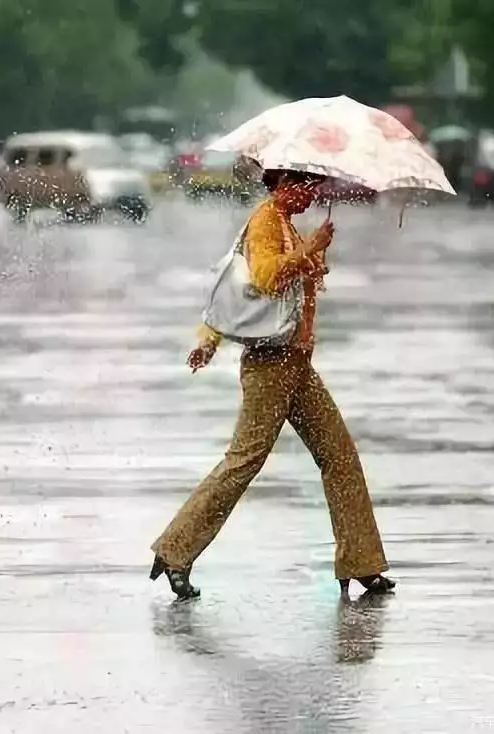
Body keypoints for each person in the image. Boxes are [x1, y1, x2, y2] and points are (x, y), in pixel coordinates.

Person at [149, 169, 395, 600]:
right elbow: (262, 278)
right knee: (243, 460)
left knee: (339, 457)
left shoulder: (285, 224)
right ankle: (175, 550)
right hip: (270, 366)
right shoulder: (265, 220)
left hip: (297, 365)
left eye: (317, 189)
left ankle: (361, 563)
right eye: (308, 188)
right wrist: (310, 250)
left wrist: (312, 260)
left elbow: (269, 290)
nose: (312, 197)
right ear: (285, 185)